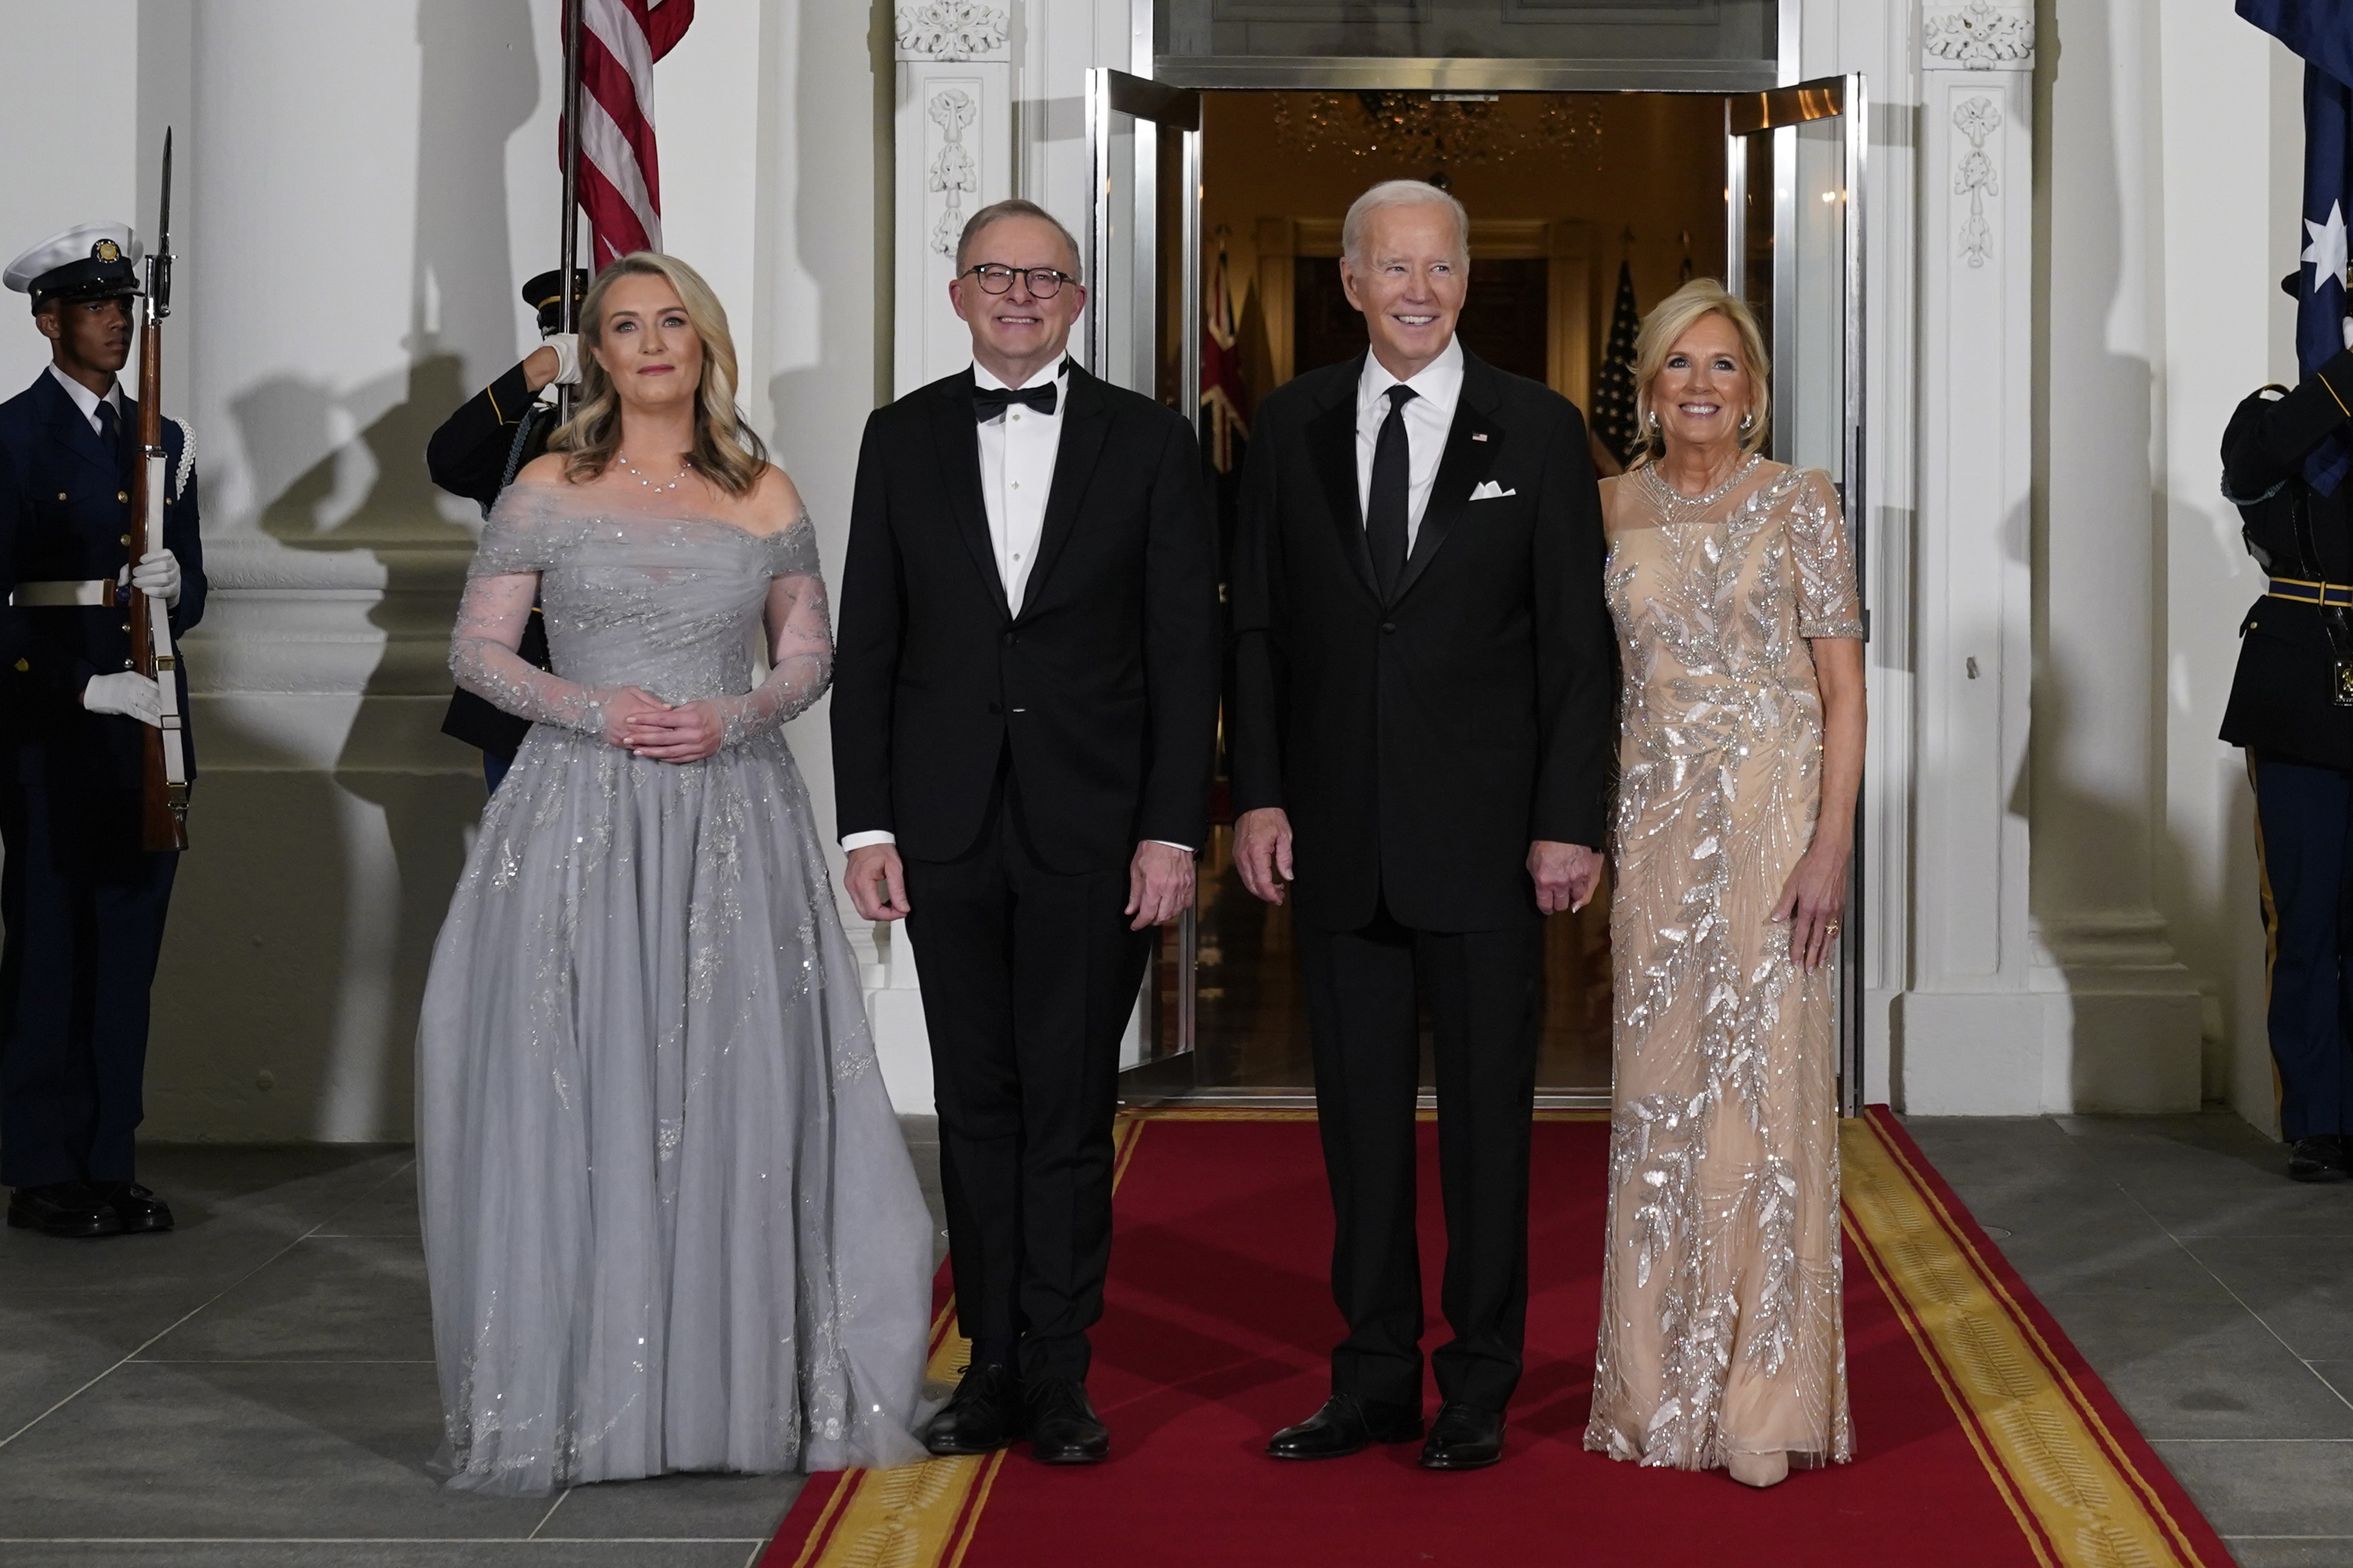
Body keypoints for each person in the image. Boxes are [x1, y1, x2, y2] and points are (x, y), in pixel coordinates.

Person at [415, 251, 932, 1494]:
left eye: (672, 323)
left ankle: (730, 1387)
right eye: (625, 326)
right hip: (578, 815)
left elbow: (809, 651)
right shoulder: (545, 481)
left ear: (704, 343)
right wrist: (599, 710)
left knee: (734, 1085)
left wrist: (736, 715)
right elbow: (478, 651)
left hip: (732, 814)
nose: (651, 343)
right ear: (594, 350)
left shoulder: (761, 490)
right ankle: (585, 1391)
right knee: (583, 1082)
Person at [1229, 179, 1614, 1472]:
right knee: (1357, 1131)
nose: (1415, 289)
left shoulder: (1540, 430)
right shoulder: (1282, 427)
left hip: (1491, 843)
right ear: (1349, 281)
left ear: (1461, 278)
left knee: (1487, 1135)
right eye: (1390, 267)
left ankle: (1477, 1385)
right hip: (1334, 837)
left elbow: (1576, 650)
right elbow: (1258, 632)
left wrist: (1568, 820)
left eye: (1437, 267)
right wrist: (1259, 790)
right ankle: (1373, 1375)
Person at [831, 198, 1220, 1465]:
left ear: (1076, 300)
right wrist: (867, 823)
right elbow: (872, 643)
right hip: (940, 826)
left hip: (1094, 827)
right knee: (974, 1104)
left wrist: (1170, 829)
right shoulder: (897, 438)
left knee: (1066, 1106)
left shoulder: (1150, 443)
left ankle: (1059, 1371)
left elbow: (1181, 649)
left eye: (1042, 277)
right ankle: (987, 1363)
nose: (1016, 294)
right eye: (993, 274)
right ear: (957, 294)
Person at [1582, 278, 1863, 1489]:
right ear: (1647, 387)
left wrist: (1829, 845)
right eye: (1678, 366)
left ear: (1751, 388)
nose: (1699, 386)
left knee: (1762, 1102)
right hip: (1651, 838)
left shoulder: (1801, 501)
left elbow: (1843, 690)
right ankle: (1652, 1396)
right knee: (1656, 1111)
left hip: (1771, 838)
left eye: (1722, 367)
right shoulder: (1603, 506)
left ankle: (1758, 1403)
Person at [0, 223, 203, 1240]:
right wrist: (80, 690)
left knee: (126, 956)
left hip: (150, 730)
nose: (117, 321)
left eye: (124, 307)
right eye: (94, 306)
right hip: (51, 735)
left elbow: (192, 587)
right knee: (49, 952)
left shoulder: (165, 439)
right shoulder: (11, 438)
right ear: (48, 321)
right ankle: (44, 1168)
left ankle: (109, 1161)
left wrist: (178, 584)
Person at [2220, 273, 2353, 1183]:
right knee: (2305, 914)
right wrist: (2341, 376)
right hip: (2301, 686)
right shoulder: (2271, 414)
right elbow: (2251, 468)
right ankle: (2317, 1117)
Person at [426, 267, 585, 790]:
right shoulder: (523, 436)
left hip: (618, 675)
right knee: (519, 860)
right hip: (524, 674)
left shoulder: (659, 440)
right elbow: (447, 459)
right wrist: (533, 375)